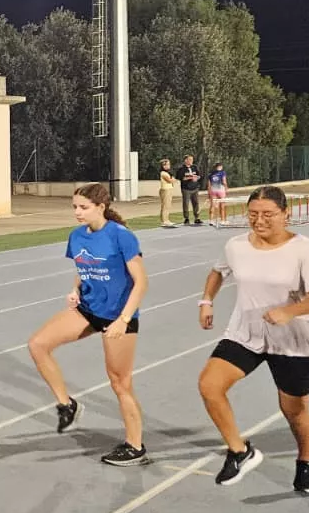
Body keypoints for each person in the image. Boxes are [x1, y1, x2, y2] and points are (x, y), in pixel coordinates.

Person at [197, 186, 309, 491]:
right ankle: (239, 451)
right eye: (253, 214)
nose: (259, 221)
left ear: (286, 214)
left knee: (294, 410)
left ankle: (306, 460)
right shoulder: (235, 245)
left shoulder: (304, 249)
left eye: (268, 214)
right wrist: (206, 301)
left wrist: (289, 312)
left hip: (291, 341)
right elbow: (218, 272)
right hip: (245, 334)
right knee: (209, 385)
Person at [27, 182, 151, 465]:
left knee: (120, 383)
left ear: (101, 207)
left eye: (83, 207)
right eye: (74, 207)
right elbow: (84, 267)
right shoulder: (76, 236)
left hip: (117, 316)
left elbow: (141, 282)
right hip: (88, 309)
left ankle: (135, 446)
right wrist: (75, 289)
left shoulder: (121, 236)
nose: (77, 213)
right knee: (38, 344)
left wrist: (123, 320)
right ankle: (66, 404)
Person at [179, 155, 203, 226]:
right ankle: (186, 218)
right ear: (185, 160)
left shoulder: (195, 167)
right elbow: (181, 178)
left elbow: (199, 175)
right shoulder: (181, 169)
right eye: (190, 159)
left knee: (196, 203)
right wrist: (190, 177)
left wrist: (197, 178)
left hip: (195, 188)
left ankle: (197, 218)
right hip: (186, 189)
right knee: (186, 204)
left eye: (192, 159)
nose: (191, 161)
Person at [207, 162, 230, 226]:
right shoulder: (222, 173)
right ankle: (222, 220)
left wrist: (208, 194)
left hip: (213, 189)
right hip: (220, 189)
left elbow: (208, 185)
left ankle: (211, 220)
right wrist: (226, 188)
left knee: (212, 205)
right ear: (220, 166)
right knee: (222, 205)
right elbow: (224, 181)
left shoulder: (210, 174)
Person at [158, 159, 178, 229]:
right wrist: (173, 180)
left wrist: (173, 180)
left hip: (169, 189)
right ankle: (164, 221)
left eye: (169, 164)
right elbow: (170, 180)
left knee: (168, 205)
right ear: (163, 166)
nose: (168, 166)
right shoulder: (163, 173)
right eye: (166, 164)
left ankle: (166, 220)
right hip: (165, 190)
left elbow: (173, 179)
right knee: (165, 205)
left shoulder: (168, 173)